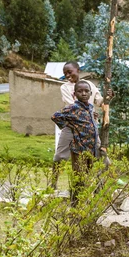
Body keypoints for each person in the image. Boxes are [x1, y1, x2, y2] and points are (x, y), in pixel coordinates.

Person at [52, 61, 104, 189]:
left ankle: (98, 185)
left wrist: (108, 97)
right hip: (72, 126)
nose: (68, 76)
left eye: (70, 72)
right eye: (65, 74)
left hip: (89, 127)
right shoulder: (65, 87)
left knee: (98, 152)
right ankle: (53, 183)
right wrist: (88, 113)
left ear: (77, 70)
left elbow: (99, 101)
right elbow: (73, 106)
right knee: (60, 155)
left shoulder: (90, 85)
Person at [51, 80, 100, 205]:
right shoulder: (73, 107)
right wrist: (69, 126)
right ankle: (75, 204)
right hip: (79, 148)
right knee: (78, 177)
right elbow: (55, 116)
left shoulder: (89, 107)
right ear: (74, 94)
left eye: (86, 91)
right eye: (80, 91)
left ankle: (84, 202)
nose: (83, 93)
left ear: (90, 93)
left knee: (87, 176)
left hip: (91, 149)